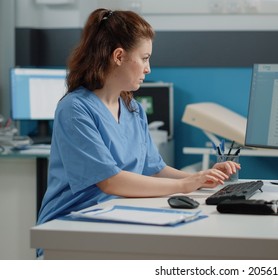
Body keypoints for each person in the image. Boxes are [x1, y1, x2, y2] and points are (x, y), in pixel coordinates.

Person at [36, 8, 239, 242]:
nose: (148, 68)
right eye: (144, 58)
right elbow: (111, 181)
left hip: (115, 217)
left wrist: (204, 178)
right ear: (119, 56)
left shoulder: (133, 108)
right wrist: (186, 184)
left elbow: (155, 169)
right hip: (70, 225)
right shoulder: (75, 109)